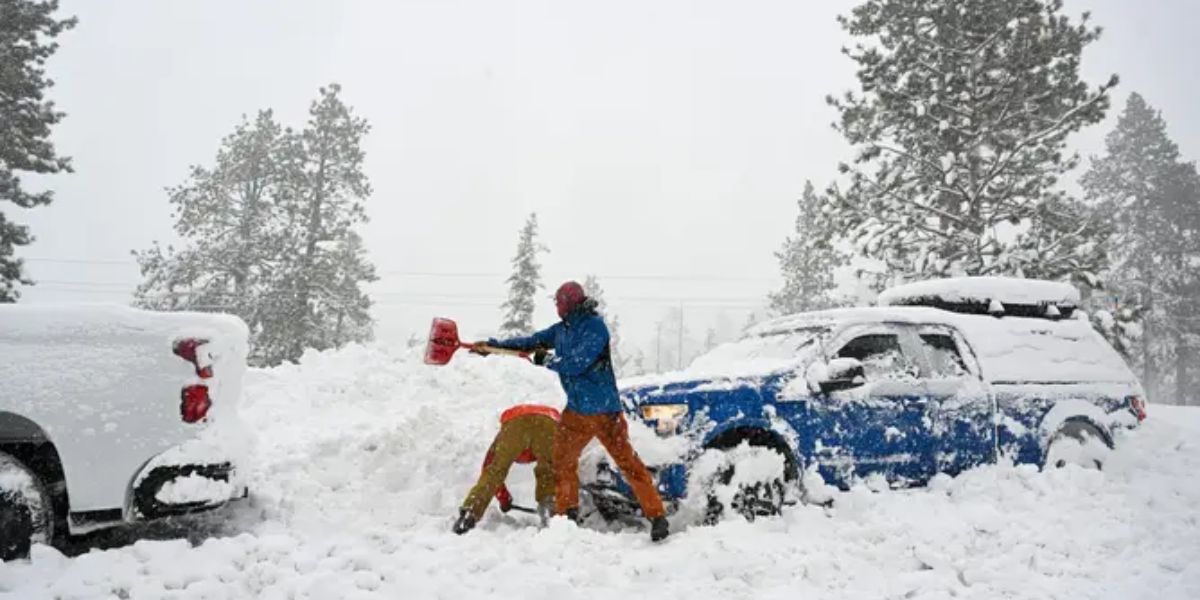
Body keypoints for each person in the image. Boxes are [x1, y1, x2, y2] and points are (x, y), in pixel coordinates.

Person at [480, 281, 669, 542]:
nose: (557, 307)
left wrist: (545, 359)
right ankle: (566, 515)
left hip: (605, 412)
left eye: (559, 302)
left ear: (570, 302)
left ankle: (657, 517)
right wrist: (494, 346)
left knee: (628, 463)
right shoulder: (561, 330)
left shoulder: (595, 327)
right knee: (561, 462)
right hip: (577, 412)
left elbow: (576, 364)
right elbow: (531, 341)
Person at [453, 404, 560, 535]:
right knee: (549, 471)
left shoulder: (503, 436)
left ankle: (470, 513)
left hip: (515, 423)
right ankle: (550, 510)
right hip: (548, 422)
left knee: (495, 470)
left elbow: (488, 467)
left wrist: (504, 499)